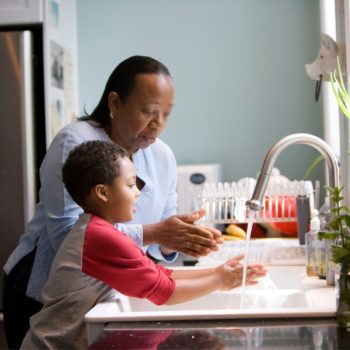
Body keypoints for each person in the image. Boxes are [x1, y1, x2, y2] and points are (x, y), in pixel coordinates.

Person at [3, 55, 224, 349]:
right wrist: (156, 232)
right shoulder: (76, 141)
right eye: (149, 111)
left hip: (104, 293)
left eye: (167, 114)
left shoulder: (163, 156)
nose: (158, 124)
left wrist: (182, 238)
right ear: (115, 103)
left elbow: (160, 244)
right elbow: (67, 237)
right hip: (42, 291)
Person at [20, 140, 266, 349]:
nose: (137, 192)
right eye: (130, 184)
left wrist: (218, 272)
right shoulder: (99, 237)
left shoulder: (100, 230)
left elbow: (162, 274)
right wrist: (221, 281)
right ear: (103, 193)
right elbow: (166, 292)